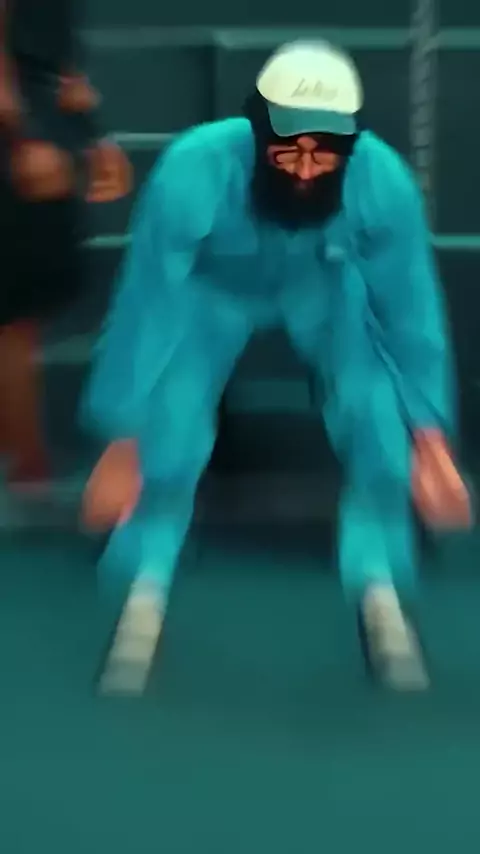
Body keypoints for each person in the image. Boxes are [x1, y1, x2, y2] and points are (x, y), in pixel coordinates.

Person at [81, 40, 471, 696]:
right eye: (289, 149)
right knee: (170, 421)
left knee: (376, 413)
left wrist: (431, 444)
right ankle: (144, 564)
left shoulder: (382, 182)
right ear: (259, 132)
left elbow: (411, 313)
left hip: (323, 286)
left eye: (326, 152)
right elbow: (148, 303)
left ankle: (377, 571)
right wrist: (122, 440)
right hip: (210, 292)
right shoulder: (193, 170)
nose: (307, 170)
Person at [0, 0, 131, 488]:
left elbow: (65, 70)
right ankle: (28, 470)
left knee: (23, 316)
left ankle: (26, 467)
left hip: (43, 130)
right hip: (22, 144)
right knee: (14, 320)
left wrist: (94, 139)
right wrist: (23, 140)